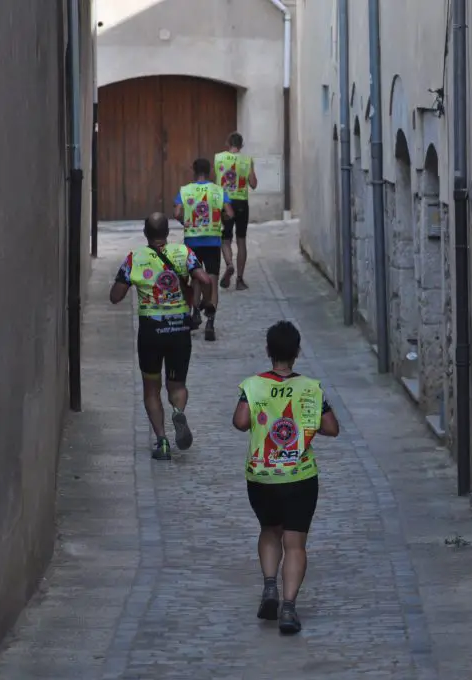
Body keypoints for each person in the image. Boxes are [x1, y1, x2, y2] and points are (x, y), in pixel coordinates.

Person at [231, 321, 340, 634]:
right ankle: (289, 608)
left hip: (262, 475)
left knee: (269, 530)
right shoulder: (311, 388)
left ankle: (269, 587)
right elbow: (332, 428)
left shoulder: (252, 385)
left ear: (268, 351)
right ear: (297, 352)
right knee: (295, 543)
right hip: (300, 477)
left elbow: (240, 422)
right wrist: (308, 423)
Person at [110, 212, 213, 460]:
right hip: (178, 330)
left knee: (151, 388)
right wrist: (201, 302)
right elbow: (205, 279)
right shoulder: (184, 253)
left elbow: (115, 297)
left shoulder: (135, 258)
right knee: (177, 385)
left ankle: (162, 441)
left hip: (151, 331)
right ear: (168, 232)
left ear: (146, 233)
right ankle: (178, 410)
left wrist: (129, 281)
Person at [174, 157, 234, 341]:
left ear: (194, 171)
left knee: (195, 278)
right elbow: (230, 213)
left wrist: (185, 222)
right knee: (212, 281)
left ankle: (195, 313)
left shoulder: (185, 190)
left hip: (192, 241)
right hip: (213, 242)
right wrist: (221, 217)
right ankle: (211, 322)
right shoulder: (218, 190)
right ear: (210, 172)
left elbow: (177, 213)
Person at [215, 132, 258, 291]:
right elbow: (253, 184)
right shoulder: (247, 160)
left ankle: (229, 264)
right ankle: (239, 280)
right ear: (242, 145)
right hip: (241, 203)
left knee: (225, 239)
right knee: (241, 240)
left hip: (225, 203)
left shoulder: (218, 158)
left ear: (228, 143)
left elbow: (216, 179)